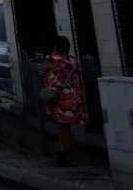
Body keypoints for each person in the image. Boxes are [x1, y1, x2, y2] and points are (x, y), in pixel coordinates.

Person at [42, 35, 87, 167]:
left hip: (58, 97)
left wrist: (53, 53)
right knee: (64, 127)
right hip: (72, 96)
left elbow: (43, 69)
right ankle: (64, 154)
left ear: (56, 47)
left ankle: (70, 157)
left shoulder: (53, 59)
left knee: (63, 127)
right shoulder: (72, 60)